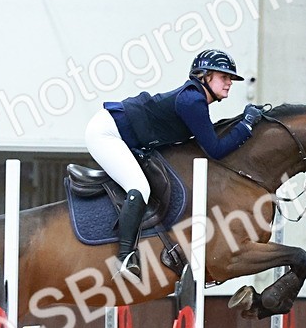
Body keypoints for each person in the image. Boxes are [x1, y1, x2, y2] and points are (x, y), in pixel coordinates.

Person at [84, 49, 264, 282]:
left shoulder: (196, 99)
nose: (230, 83)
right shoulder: (192, 100)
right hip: (106, 132)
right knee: (140, 186)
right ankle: (125, 257)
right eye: (224, 77)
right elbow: (216, 150)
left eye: (230, 78)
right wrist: (247, 123)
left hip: (125, 134)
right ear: (204, 76)